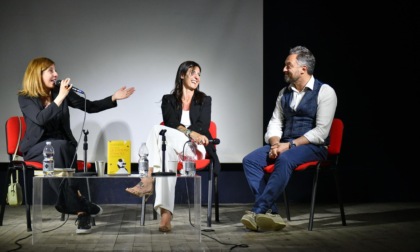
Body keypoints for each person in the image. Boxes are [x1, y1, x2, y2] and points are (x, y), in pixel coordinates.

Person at [18, 57, 135, 234]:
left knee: (65, 147)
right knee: (60, 148)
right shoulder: (26, 97)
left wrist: (113, 97)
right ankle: (82, 207)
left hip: (63, 147)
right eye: (50, 70)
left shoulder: (60, 91)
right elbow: (41, 119)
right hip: (36, 148)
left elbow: (90, 106)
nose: (56, 74)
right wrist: (61, 97)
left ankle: (74, 204)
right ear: (37, 74)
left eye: (55, 70)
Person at [241, 46, 337, 232]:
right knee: (250, 161)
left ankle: (258, 209)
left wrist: (290, 145)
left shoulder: (325, 92)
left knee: (285, 159)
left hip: (313, 146)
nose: (284, 69)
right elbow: (275, 123)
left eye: (288, 65)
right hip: (285, 143)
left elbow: (321, 132)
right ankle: (271, 212)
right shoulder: (284, 93)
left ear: (303, 68)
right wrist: (276, 143)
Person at [125, 60, 220, 232]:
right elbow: (170, 123)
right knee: (166, 153)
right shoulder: (168, 100)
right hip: (175, 148)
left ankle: (147, 179)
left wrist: (190, 134)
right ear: (182, 75)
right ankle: (166, 216)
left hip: (195, 149)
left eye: (199, 74)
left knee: (156, 129)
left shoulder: (204, 100)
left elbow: (203, 126)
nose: (197, 77)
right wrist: (190, 132)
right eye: (193, 73)